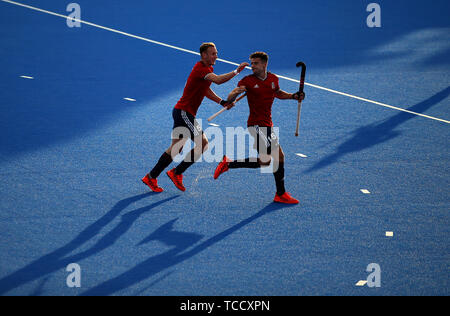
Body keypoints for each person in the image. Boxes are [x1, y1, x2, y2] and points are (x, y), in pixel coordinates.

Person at [142, 42, 249, 192]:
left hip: (182, 112)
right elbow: (218, 81)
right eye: (213, 53)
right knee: (203, 144)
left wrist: (222, 102)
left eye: (216, 53)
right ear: (204, 55)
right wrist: (236, 71)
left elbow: (205, 90)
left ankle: (151, 177)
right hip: (184, 113)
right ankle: (176, 172)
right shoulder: (201, 69)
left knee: (176, 148)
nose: (216, 56)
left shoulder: (207, 70)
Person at [214, 51, 305, 204]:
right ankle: (280, 194)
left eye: (255, 63)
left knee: (266, 161)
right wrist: (234, 93)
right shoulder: (247, 81)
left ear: (264, 64)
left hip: (268, 124)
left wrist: (293, 96)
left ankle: (228, 163)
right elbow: (230, 98)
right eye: (252, 63)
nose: (253, 66)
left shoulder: (273, 79)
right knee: (278, 156)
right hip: (256, 125)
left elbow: (277, 93)